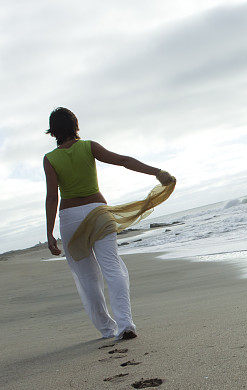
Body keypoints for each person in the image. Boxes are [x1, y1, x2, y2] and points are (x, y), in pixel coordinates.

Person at [43, 107, 174, 340]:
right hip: (98, 213)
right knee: (113, 268)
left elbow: (52, 196)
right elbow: (123, 161)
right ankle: (125, 325)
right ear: (76, 126)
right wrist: (158, 172)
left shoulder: (50, 159)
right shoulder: (89, 146)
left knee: (87, 278)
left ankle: (107, 329)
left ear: (53, 132)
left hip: (70, 219)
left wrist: (50, 233)